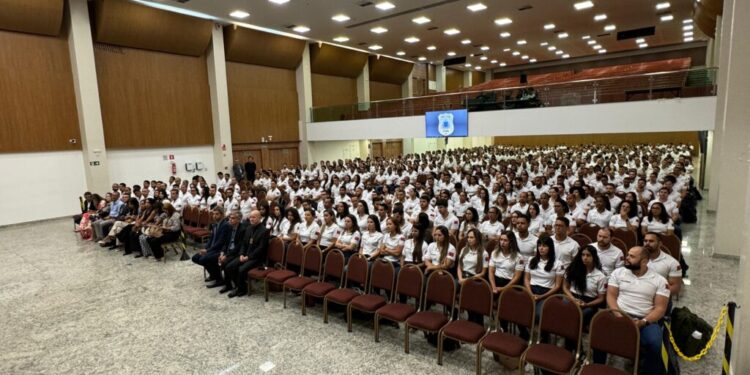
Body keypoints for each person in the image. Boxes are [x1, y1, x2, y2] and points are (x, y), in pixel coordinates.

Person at [605, 246, 670, 374]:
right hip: (619, 314)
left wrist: (643, 321)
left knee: (655, 344)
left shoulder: (660, 281)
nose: (627, 258)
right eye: (628, 255)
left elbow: (660, 308)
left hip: (644, 320)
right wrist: (619, 316)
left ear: (644, 261)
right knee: (600, 330)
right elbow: (611, 296)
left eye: (632, 256)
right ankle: (598, 365)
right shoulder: (618, 273)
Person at [223, 210, 269, 298]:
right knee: (229, 266)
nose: (251, 219)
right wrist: (241, 254)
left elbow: (261, 249)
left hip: (257, 258)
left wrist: (248, 257)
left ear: (259, 218)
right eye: (250, 217)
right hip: (245, 255)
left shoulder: (264, 231)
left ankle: (241, 289)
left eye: (254, 217)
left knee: (241, 269)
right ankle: (238, 286)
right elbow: (243, 244)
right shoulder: (248, 228)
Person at [563, 245, 607, 326]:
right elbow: (565, 287)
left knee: (577, 317)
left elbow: (601, 298)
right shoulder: (573, 269)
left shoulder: (600, 276)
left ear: (594, 257)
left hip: (589, 302)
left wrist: (587, 305)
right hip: (572, 297)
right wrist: (573, 299)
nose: (585, 258)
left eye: (588, 255)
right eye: (583, 255)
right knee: (561, 310)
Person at [524, 236, 563, 317]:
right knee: (522, 311)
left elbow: (557, 286)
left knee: (538, 314)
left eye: (544, 246)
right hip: (531, 289)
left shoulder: (558, 263)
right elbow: (527, 279)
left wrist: (542, 296)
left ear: (550, 248)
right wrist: (530, 293)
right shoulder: (531, 260)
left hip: (547, 292)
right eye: (539, 245)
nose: (541, 248)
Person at [192, 208, 231, 288]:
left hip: (220, 250)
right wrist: (205, 248)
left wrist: (207, 250)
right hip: (212, 249)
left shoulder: (225, 225)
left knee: (204, 259)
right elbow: (211, 239)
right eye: (213, 214)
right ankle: (213, 274)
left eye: (217, 214)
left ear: (222, 215)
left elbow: (220, 242)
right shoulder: (214, 225)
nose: (214, 216)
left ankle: (219, 279)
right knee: (195, 257)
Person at [489, 231, 525, 295]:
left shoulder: (519, 257)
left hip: (509, 283)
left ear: (511, 242)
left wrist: (504, 288)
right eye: (501, 240)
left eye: (505, 240)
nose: (502, 243)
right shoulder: (494, 253)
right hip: (495, 281)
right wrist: (493, 287)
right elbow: (491, 272)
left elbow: (517, 277)